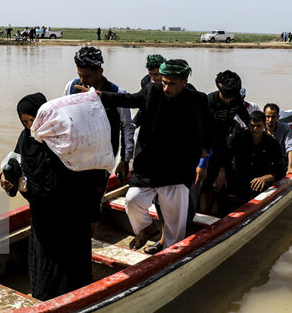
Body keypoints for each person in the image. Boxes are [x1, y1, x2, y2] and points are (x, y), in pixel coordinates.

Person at [82, 59, 211, 250]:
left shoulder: (198, 100)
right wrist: (100, 96)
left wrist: (205, 152)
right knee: (133, 200)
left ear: (184, 82)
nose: (166, 87)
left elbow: (211, 126)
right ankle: (147, 228)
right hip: (149, 167)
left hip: (177, 170)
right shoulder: (153, 90)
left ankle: (169, 253)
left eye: (171, 84)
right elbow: (129, 99)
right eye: (164, 81)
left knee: (174, 223)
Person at [0, 93, 92, 300]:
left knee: (68, 258)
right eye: (25, 122)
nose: (31, 126)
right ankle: (44, 295)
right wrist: (6, 178)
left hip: (68, 211)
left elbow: (76, 175)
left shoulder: (62, 138)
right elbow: (16, 163)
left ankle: (73, 296)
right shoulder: (25, 138)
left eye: (33, 120)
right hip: (41, 213)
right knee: (43, 257)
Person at [64, 46, 135, 223]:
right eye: (80, 74)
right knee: (72, 202)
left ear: (100, 71)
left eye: (87, 76)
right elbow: (64, 120)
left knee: (92, 206)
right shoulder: (71, 87)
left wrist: (124, 161)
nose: (82, 80)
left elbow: (127, 127)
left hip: (102, 160)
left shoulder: (117, 94)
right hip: (75, 157)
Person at [204, 70, 250, 216]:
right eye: (226, 97)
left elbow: (246, 117)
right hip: (209, 138)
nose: (229, 101)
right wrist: (220, 170)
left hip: (228, 135)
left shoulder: (236, 97)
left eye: (232, 97)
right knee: (213, 178)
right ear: (219, 87)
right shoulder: (209, 101)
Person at [230, 111, 285, 201]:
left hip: (261, 184)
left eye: (258, 126)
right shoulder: (240, 139)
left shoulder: (272, 144)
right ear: (248, 125)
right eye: (252, 126)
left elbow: (281, 169)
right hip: (240, 181)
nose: (255, 129)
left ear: (264, 125)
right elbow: (227, 155)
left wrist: (266, 177)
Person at [264, 103, 292, 175]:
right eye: (267, 117)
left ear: (278, 117)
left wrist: (290, 167)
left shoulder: (285, 128)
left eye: (273, 117)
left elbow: (290, 148)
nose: (270, 120)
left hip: (281, 163)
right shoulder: (259, 128)